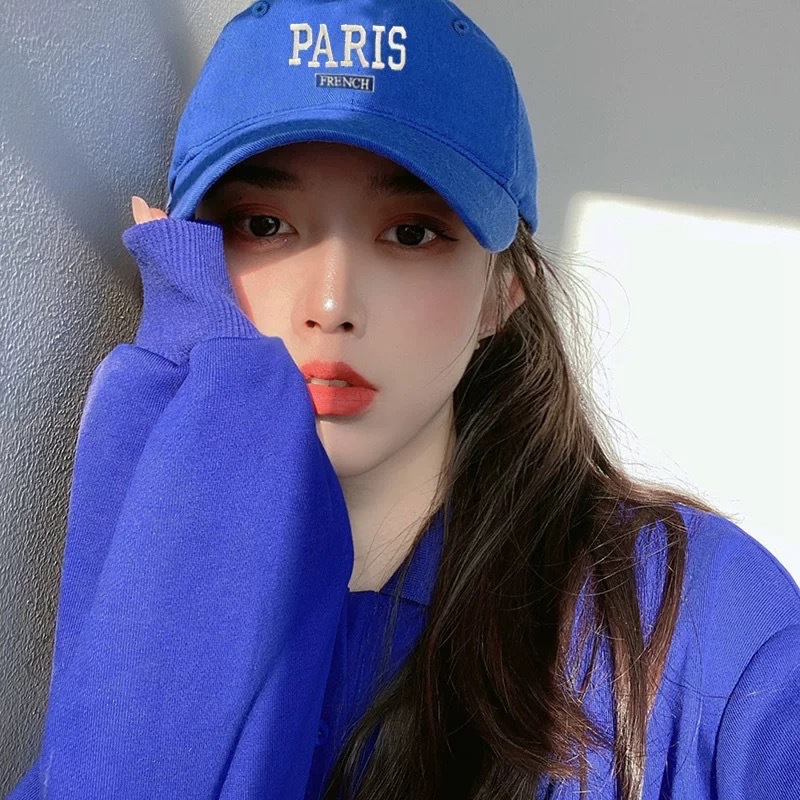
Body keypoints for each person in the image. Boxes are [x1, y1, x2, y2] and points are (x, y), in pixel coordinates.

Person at [7, 1, 800, 799]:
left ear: (502, 295)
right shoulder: (142, 572)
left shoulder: (699, 621)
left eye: (412, 233)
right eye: (264, 224)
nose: (331, 304)